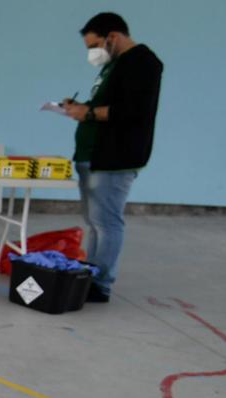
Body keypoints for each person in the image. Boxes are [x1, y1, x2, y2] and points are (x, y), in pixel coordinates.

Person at [61, 12, 162, 302]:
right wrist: (82, 108)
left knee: (107, 222)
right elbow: (109, 104)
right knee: (95, 221)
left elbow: (132, 110)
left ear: (112, 37)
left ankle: (100, 283)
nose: (93, 53)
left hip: (114, 158)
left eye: (94, 46)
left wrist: (88, 113)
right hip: (93, 156)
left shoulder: (142, 63)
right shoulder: (116, 65)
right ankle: (90, 273)